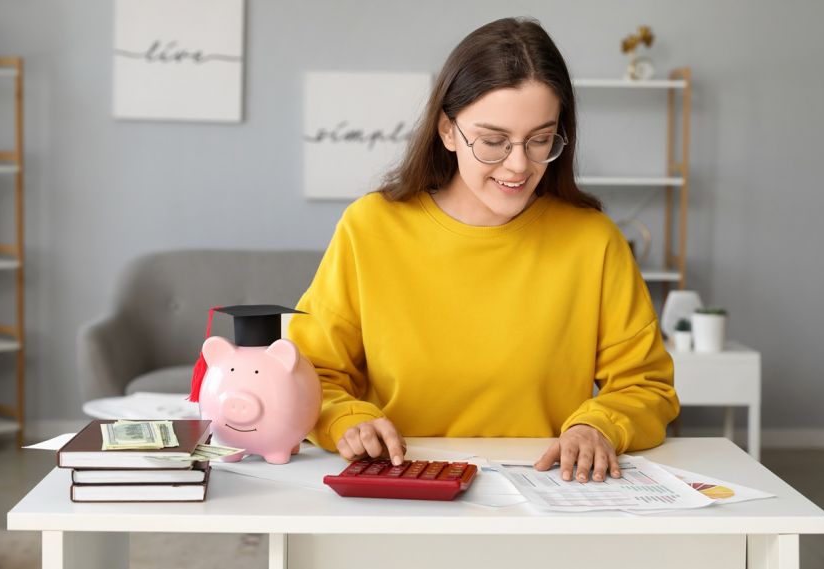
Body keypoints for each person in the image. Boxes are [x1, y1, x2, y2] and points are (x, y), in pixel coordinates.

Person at [288, 17, 679, 483]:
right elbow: (309, 372)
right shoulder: (370, 227)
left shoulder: (593, 241)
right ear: (448, 131)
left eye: (540, 140)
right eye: (493, 141)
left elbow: (647, 385)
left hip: (547, 490)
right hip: (402, 486)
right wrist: (347, 421)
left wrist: (598, 427)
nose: (518, 165)